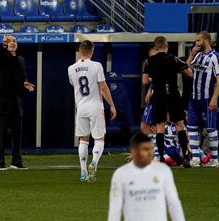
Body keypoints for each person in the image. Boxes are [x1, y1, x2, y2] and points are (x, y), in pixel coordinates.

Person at [108, 132, 185, 221]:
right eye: (145, 149)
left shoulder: (163, 171)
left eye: (151, 149)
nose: (150, 153)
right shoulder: (121, 174)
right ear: (134, 151)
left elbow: (173, 202)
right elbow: (115, 207)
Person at [68, 40, 116, 183]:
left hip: (81, 107)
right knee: (99, 139)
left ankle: (83, 171)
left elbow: (74, 84)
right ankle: (94, 163)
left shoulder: (71, 68)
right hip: (96, 107)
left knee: (83, 139)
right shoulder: (97, 66)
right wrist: (112, 105)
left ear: (79, 51)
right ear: (92, 51)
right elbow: (103, 87)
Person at [143, 36, 193, 167]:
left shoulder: (148, 61)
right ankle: (186, 156)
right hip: (173, 94)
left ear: (155, 47)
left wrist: (154, 78)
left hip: (158, 95)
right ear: (166, 46)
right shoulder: (173, 58)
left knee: (160, 126)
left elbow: (144, 81)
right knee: (179, 124)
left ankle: (161, 158)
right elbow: (189, 72)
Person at [0, 35, 35, 170]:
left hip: (16, 102)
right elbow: (3, 57)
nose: (12, 43)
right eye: (9, 41)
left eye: (14, 41)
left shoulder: (21, 60)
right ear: (5, 44)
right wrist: (4, 44)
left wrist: (25, 83)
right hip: (3, 101)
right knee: (1, 135)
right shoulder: (1, 57)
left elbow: (21, 77)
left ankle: (16, 161)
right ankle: (0, 162)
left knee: (17, 133)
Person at [186, 31, 219, 168]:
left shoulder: (215, 57)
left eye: (198, 41)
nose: (196, 43)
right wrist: (192, 54)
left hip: (207, 98)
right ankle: (195, 158)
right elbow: (186, 69)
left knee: (210, 128)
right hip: (194, 98)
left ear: (206, 40)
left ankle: (215, 159)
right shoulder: (198, 55)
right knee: (191, 127)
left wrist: (214, 98)